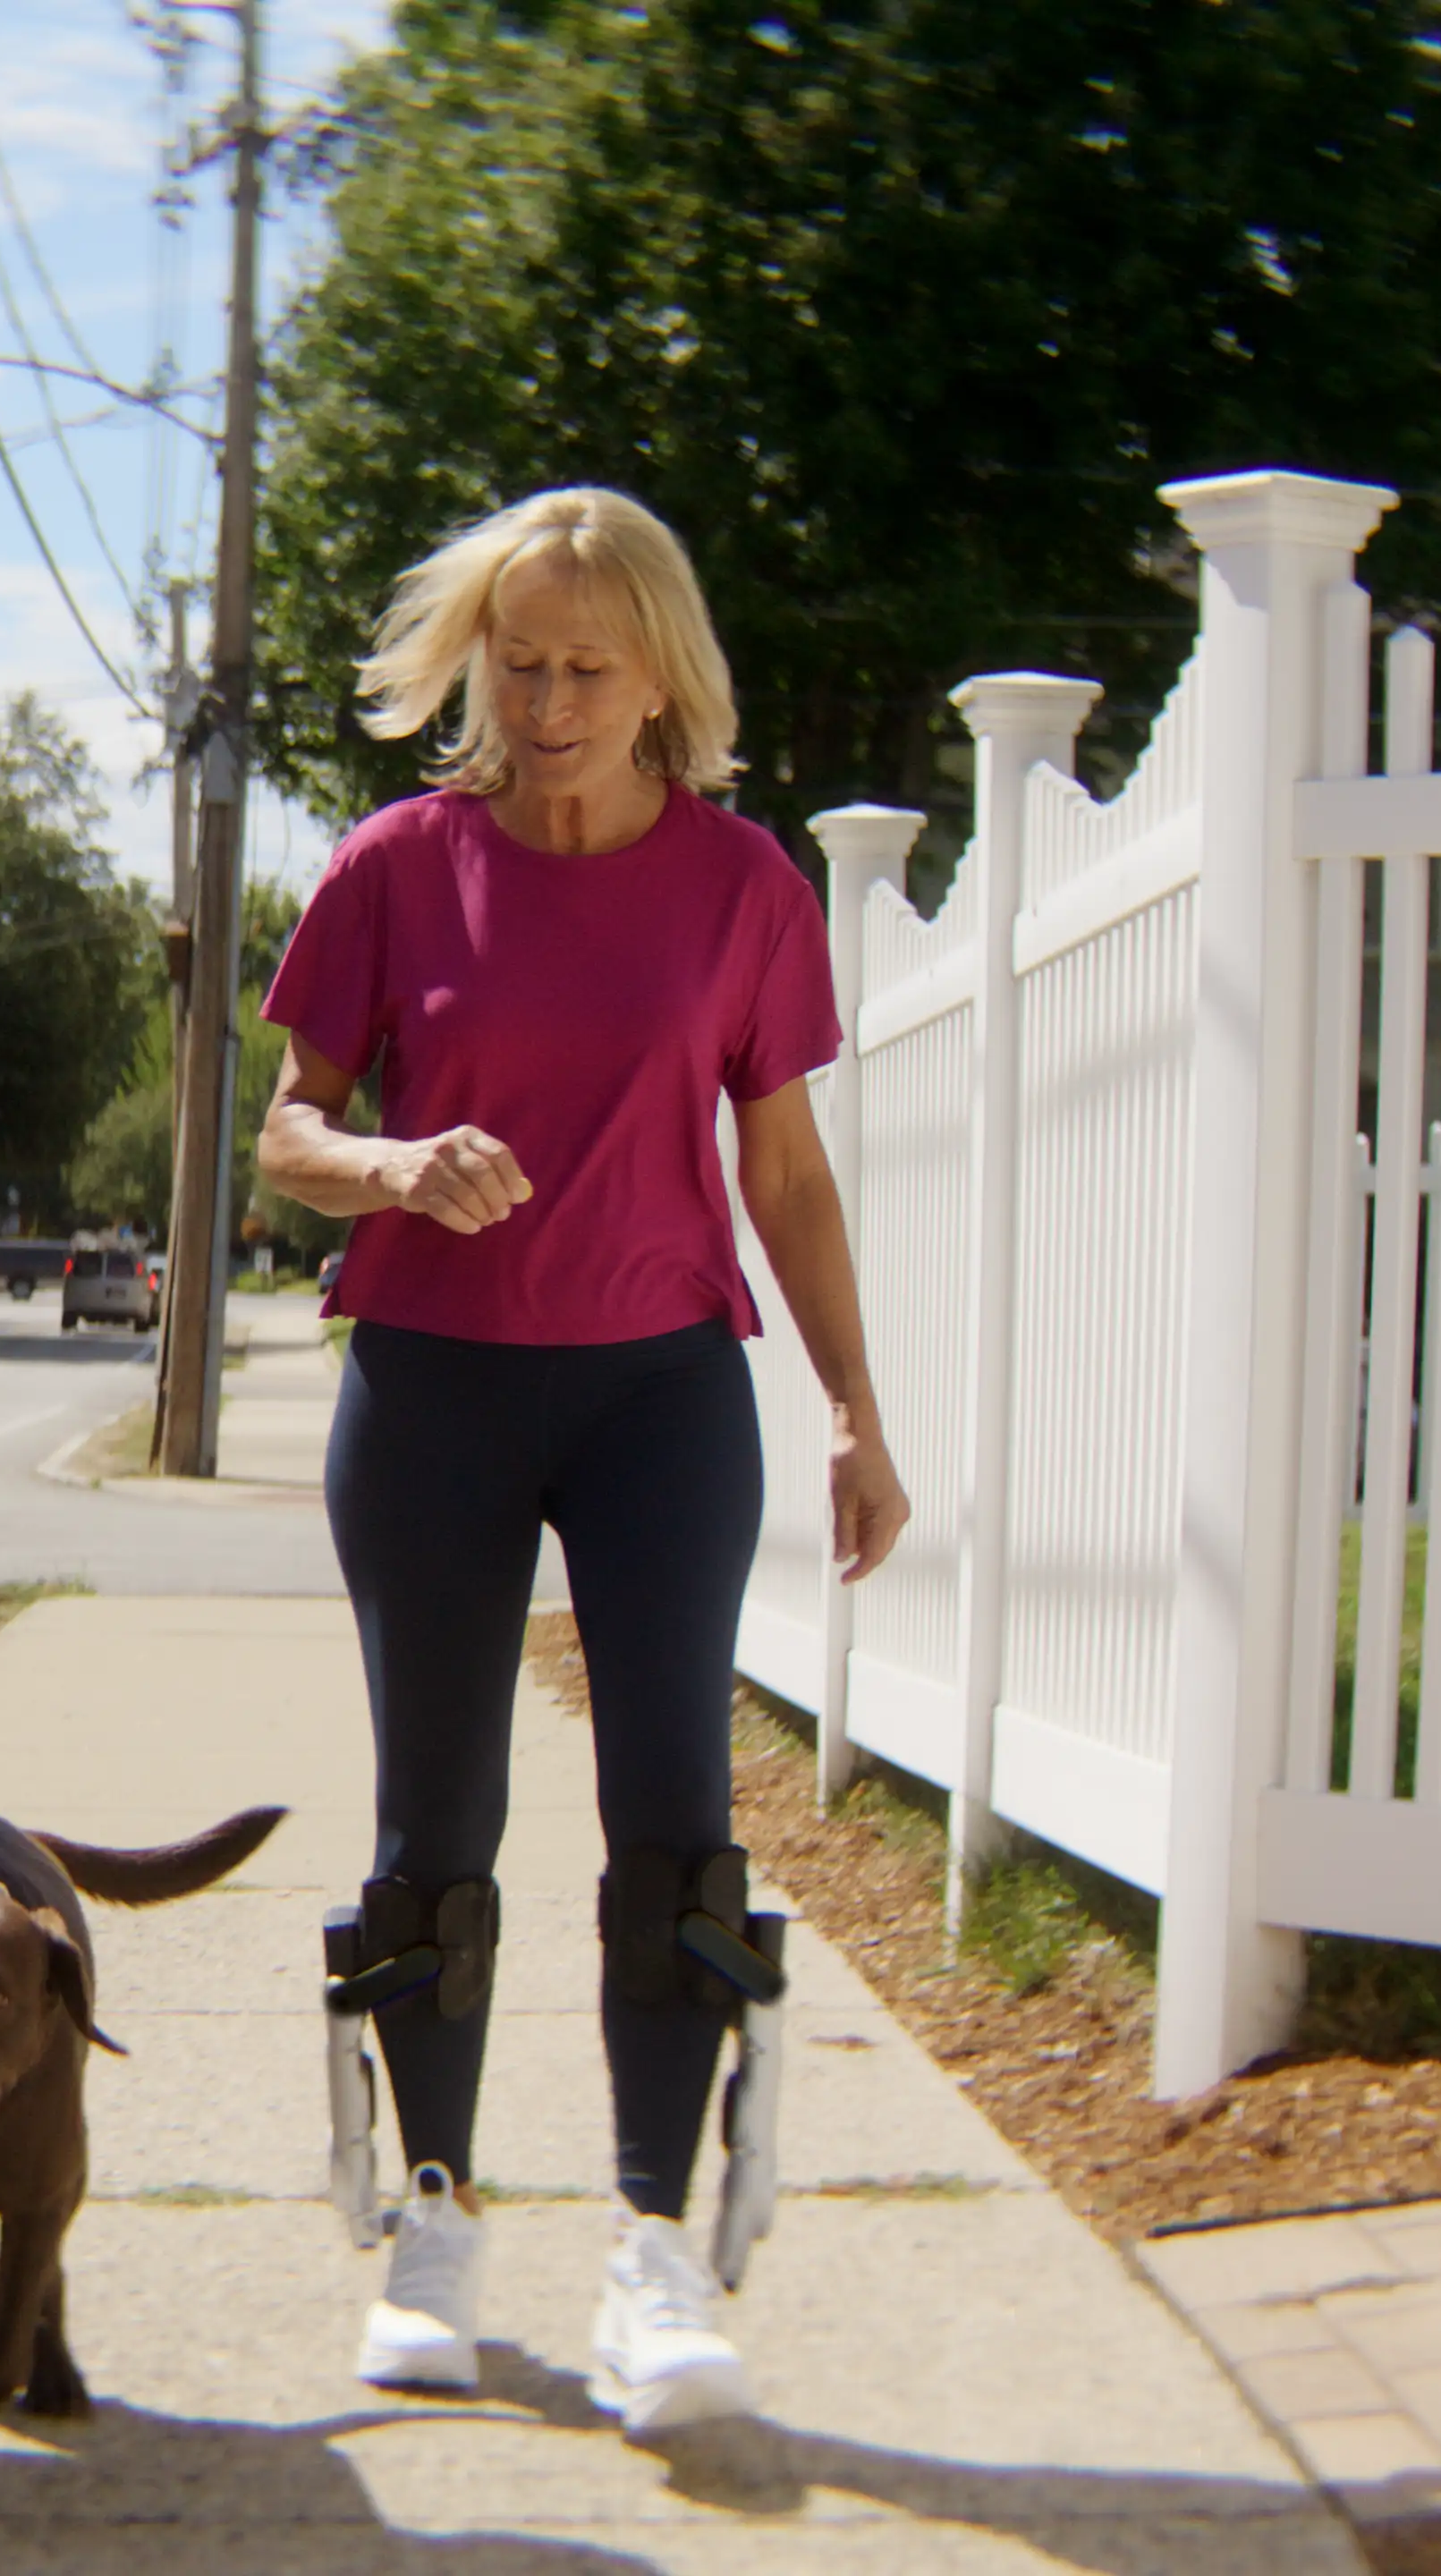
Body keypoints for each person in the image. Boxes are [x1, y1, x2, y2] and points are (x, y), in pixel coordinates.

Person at [253, 485, 912, 2433]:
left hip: (659, 1399)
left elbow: (782, 1170)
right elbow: (292, 1131)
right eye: (515, 664)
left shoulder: (740, 888)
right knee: (432, 1824)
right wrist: (392, 1165)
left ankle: (654, 2248)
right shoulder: (394, 867)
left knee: (675, 1829)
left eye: (581, 670)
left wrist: (865, 1410)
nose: (543, 703)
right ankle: (435, 2225)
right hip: (434, 1389)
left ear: (658, 679)